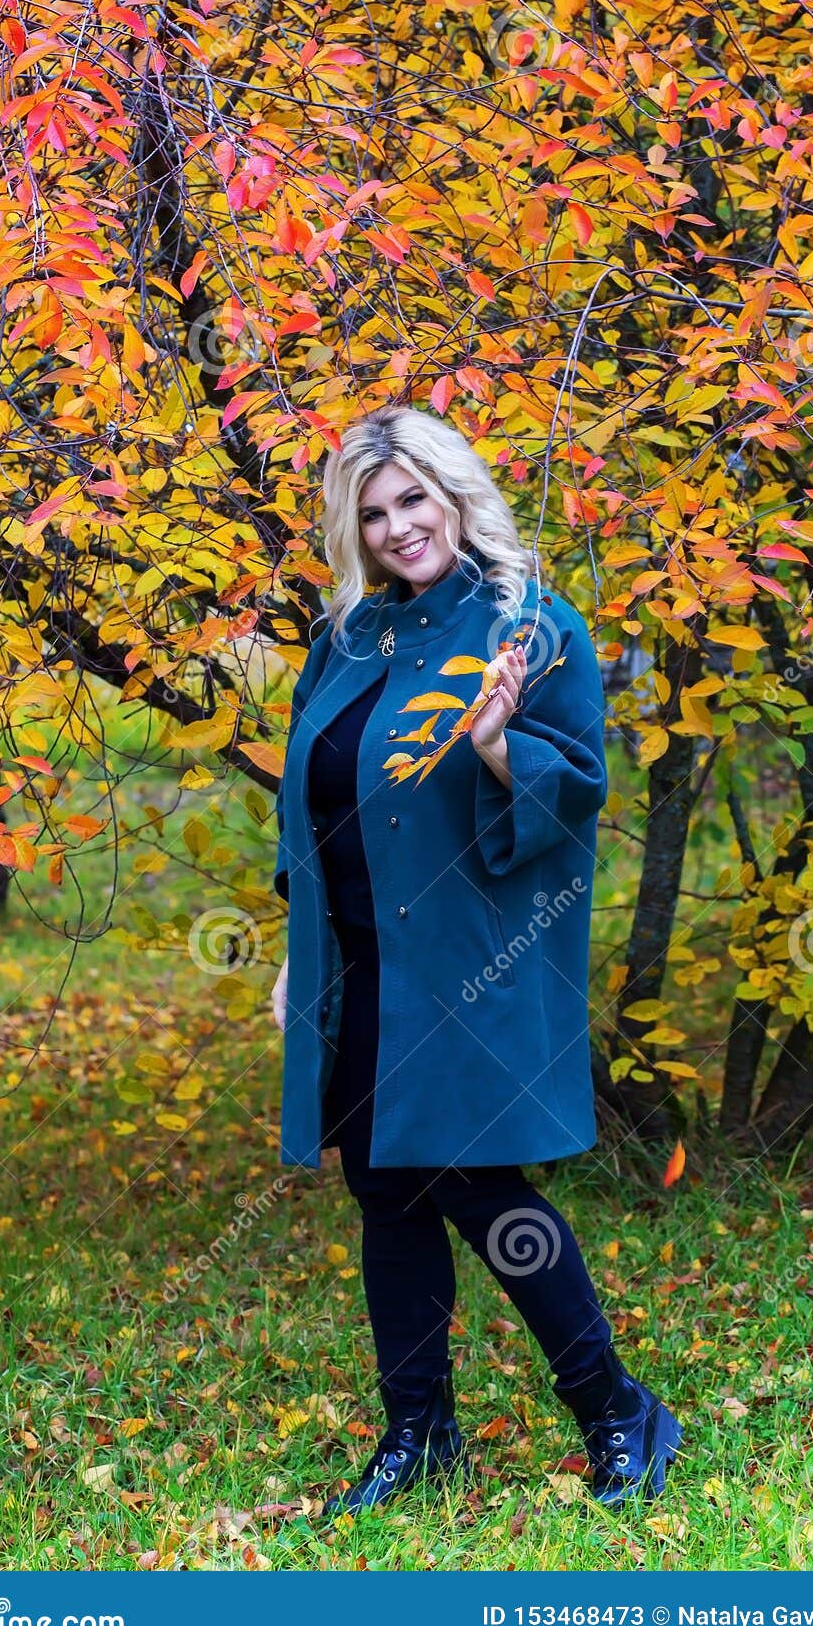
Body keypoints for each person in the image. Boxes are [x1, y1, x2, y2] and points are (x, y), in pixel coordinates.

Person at [270, 404, 683, 1518]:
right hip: (357, 963)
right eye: (373, 512)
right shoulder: (348, 639)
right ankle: (419, 1434)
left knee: (470, 1180)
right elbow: (305, 804)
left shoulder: (526, 623)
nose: (399, 526)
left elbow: (578, 783)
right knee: (381, 1190)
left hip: (463, 961)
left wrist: (498, 743)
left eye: (413, 498)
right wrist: (294, 954)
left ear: (454, 493)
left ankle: (614, 1408)